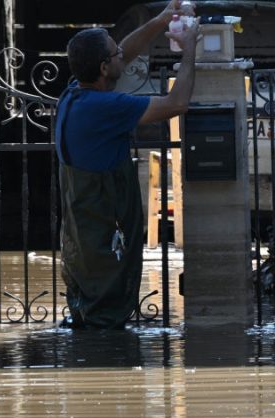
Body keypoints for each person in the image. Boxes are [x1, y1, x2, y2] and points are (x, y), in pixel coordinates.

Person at [56, 0, 199, 329]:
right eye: (114, 54)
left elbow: (123, 52)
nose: (122, 53)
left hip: (84, 245)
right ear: (104, 69)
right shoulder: (106, 107)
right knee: (106, 327)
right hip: (105, 239)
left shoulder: (73, 96)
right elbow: (178, 103)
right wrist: (189, 49)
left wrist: (162, 21)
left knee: (89, 318)